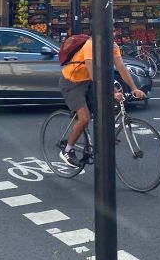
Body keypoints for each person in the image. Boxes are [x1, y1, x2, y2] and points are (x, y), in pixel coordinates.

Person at [59, 35, 146, 168]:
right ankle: (67, 151)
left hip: (87, 81)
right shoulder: (90, 44)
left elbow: (122, 69)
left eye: (113, 35)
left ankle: (104, 136)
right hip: (72, 82)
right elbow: (93, 72)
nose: (112, 38)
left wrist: (134, 88)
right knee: (85, 118)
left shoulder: (113, 47)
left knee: (106, 106)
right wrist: (112, 92)